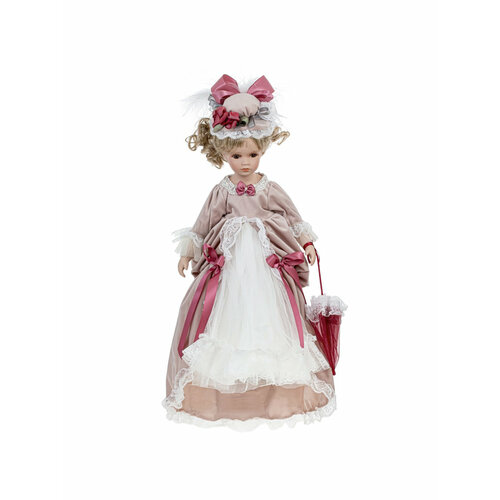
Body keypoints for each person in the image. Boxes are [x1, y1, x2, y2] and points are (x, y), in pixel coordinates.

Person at [162, 74, 346, 430]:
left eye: (252, 154)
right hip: (231, 263)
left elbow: (293, 217)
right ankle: (227, 385)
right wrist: (188, 251)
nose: (245, 162)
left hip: (266, 261)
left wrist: (307, 244)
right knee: (228, 318)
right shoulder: (222, 190)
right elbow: (203, 222)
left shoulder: (269, 188)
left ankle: (274, 388)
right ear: (223, 153)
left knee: (270, 318)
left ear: (263, 150)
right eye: (237, 155)